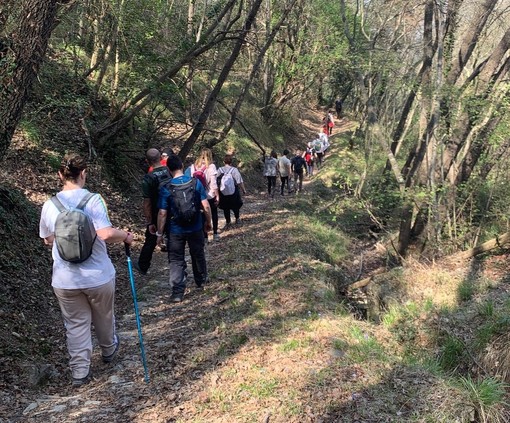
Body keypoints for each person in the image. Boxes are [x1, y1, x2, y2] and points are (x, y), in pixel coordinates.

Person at [39, 154, 134, 387]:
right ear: (84, 173)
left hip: (64, 278)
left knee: (75, 323)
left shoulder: (50, 205)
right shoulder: (93, 200)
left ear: (60, 175)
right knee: (103, 314)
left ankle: (80, 371)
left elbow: (48, 240)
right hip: (98, 275)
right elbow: (106, 234)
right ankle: (109, 350)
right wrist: (127, 236)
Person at [156, 154, 212, 303]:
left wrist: (159, 233)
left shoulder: (166, 188)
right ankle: (201, 280)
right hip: (195, 226)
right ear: (182, 166)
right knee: (198, 253)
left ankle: (177, 292)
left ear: (168, 169)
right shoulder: (195, 183)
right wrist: (208, 222)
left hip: (175, 230)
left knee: (176, 259)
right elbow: (205, 205)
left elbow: (162, 213)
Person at [135, 148, 170, 275]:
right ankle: (177, 265)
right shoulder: (170, 170)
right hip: (173, 209)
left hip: (157, 211)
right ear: (161, 157)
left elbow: (147, 202)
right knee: (173, 237)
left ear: (147, 161)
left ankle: (143, 265)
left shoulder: (148, 178)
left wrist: (149, 221)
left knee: (150, 238)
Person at [187, 148, 220, 241]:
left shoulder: (193, 166)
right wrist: (217, 195)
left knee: (202, 214)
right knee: (213, 212)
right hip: (209, 194)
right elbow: (213, 184)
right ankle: (215, 233)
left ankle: (204, 236)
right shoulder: (211, 166)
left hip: (197, 194)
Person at [217, 154, 247, 228]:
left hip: (223, 191)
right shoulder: (234, 170)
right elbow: (239, 181)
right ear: (231, 162)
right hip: (233, 191)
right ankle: (237, 218)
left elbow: (215, 180)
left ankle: (228, 221)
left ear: (224, 162)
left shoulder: (220, 170)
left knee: (225, 207)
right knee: (235, 205)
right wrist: (244, 190)